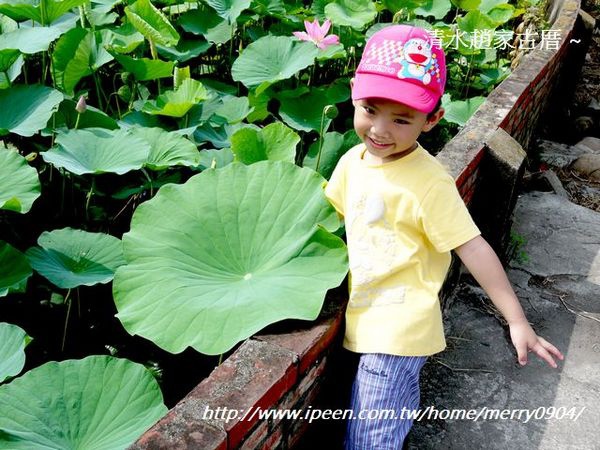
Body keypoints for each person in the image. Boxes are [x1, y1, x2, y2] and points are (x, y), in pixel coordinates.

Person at [324, 24, 564, 449]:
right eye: (370, 109)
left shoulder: (429, 183)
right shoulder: (351, 161)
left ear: (433, 118)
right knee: (386, 420)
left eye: (402, 119)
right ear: (353, 93)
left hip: (398, 331)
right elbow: (328, 223)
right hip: (366, 315)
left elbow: (472, 245)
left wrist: (517, 320)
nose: (380, 129)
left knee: (366, 442)